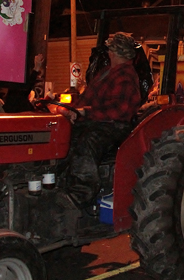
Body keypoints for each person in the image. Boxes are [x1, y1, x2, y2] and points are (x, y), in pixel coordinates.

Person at [57, 33, 141, 208]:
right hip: (95, 120)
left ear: (115, 53)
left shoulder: (126, 76)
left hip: (113, 126)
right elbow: (87, 99)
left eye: (110, 49)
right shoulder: (106, 72)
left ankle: (80, 193)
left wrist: (85, 113)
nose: (109, 53)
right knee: (60, 135)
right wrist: (71, 109)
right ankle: (57, 183)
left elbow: (119, 111)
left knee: (87, 140)